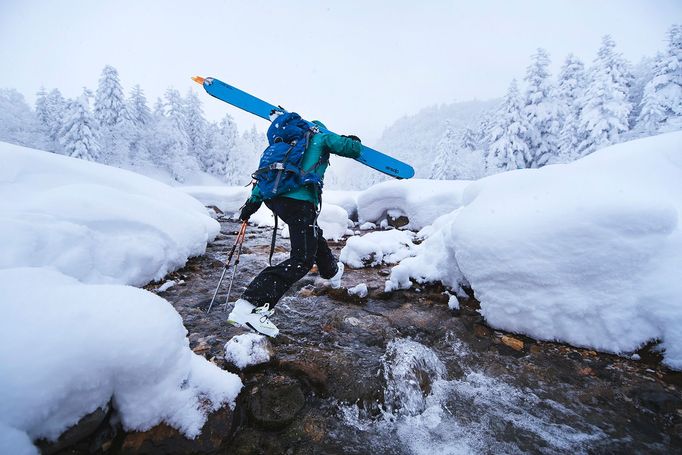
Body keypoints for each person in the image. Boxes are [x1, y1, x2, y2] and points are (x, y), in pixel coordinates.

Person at [227, 117, 362, 337]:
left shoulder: (282, 148)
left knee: (312, 235)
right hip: (300, 203)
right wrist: (353, 141)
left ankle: (331, 271)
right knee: (302, 259)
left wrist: (250, 207)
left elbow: (263, 183)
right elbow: (350, 148)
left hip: (278, 203)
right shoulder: (320, 137)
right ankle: (249, 306)